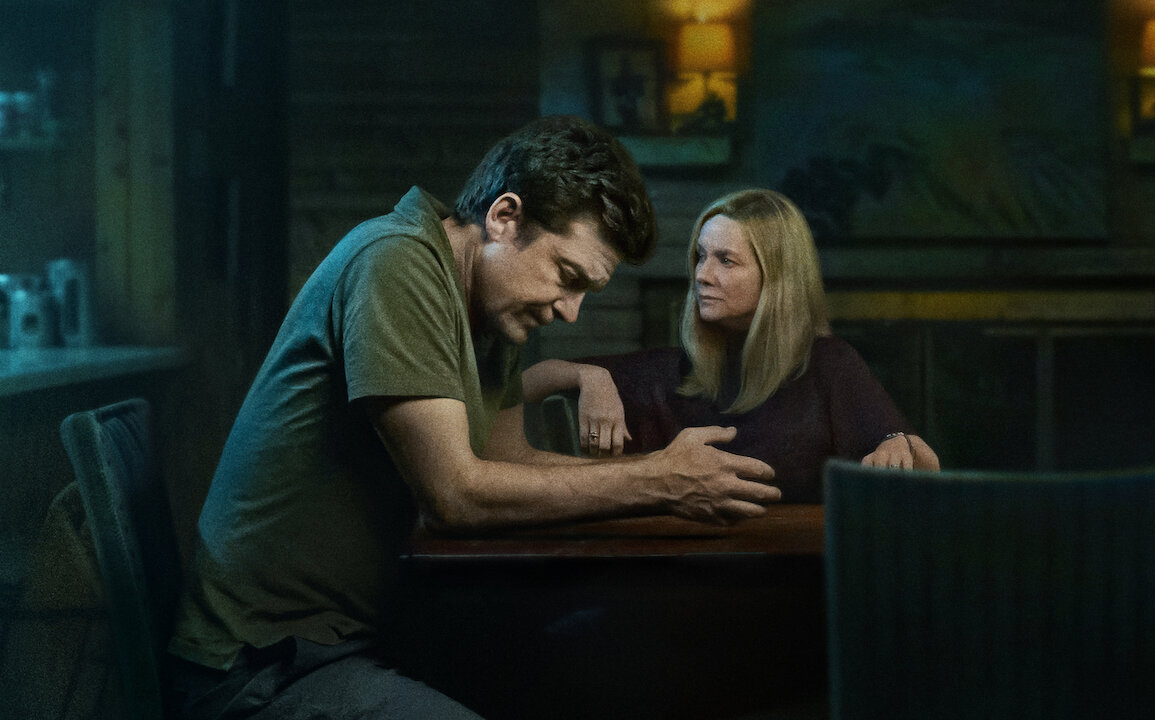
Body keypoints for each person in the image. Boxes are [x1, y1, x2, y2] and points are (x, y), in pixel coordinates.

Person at [166, 116, 779, 720]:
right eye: (567, 277)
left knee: (618, 666)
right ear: (504, 217)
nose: (570, 312)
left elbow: (505, 462)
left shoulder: (487, 308)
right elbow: (456, 495)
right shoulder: (397, 262)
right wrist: (659, 482)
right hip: (262, 665)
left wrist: (666, 474)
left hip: (364, 635)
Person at [523, 188, 939, 503]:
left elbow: (919, 463)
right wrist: (588, 376)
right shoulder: (671, 371)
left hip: (796, 572)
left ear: (777, 277)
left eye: (726, 260)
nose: (702, 275)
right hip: (681, 573)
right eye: (700, 256)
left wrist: (899, 446)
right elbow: (521, 383)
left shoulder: (828, 363)